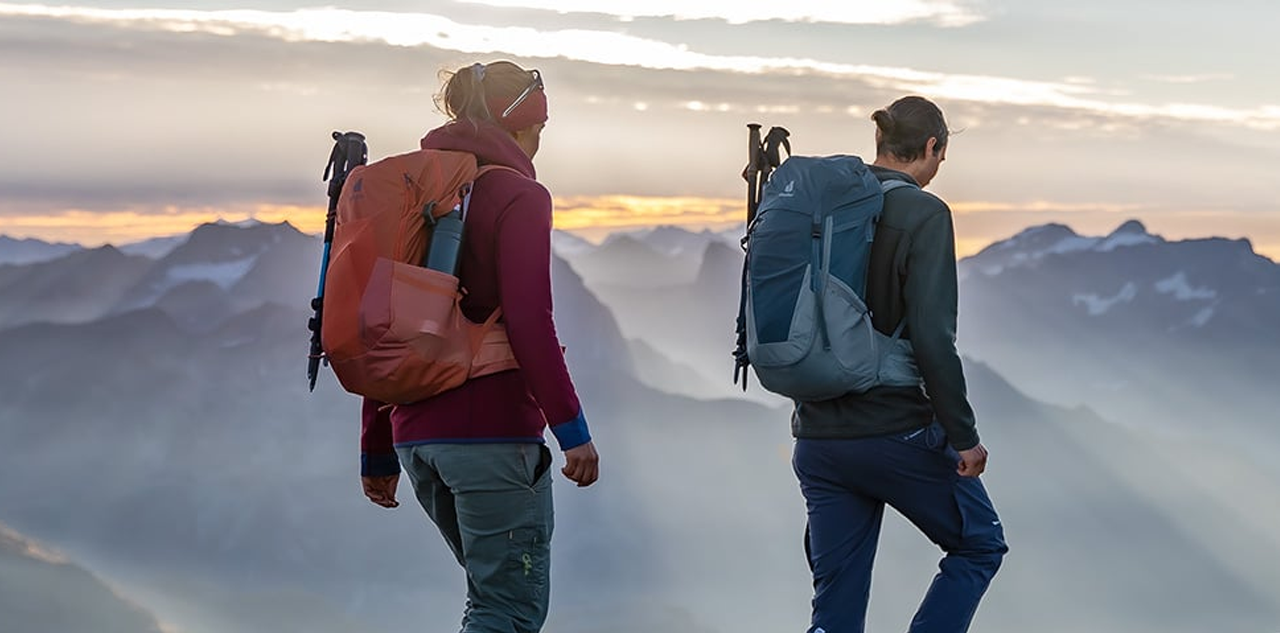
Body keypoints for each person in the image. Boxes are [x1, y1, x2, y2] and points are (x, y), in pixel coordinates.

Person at [358, 60, 600, 633]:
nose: (540, 146)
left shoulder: (414, 192)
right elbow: (529, 320)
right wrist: (573, 430)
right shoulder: (519, 196)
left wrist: (375, 446)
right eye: (540, 132)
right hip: (490, 434)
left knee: (488, 602)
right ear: (521, 126)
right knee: (507, 611)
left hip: (417, 440)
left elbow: (386, 326)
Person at [790, 96, 1007, 633]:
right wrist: (963, 435)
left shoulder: (823, 206)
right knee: (979, 543)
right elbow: (934, 338)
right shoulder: (924, 213)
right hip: (894, 430)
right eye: (941, 156)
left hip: (817, 436)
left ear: (881, 143)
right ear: (931, 147)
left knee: (835, 607)